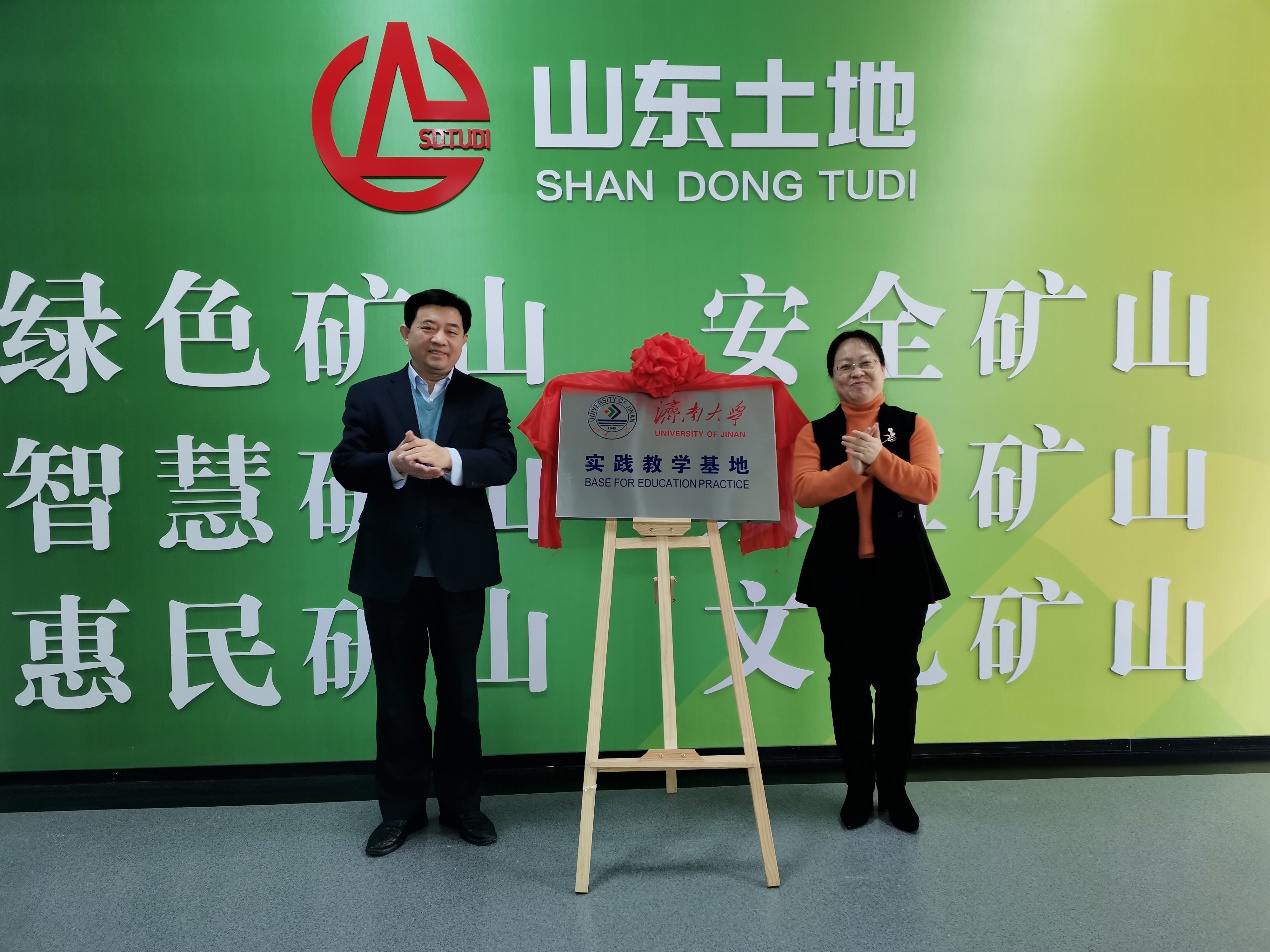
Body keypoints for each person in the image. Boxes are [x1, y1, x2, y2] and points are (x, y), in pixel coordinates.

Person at [331, 288, 517, 856]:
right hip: (392, 571)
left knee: (459, 694)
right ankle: (401, 811)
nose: (440, 339)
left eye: (452, 330)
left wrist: (449, 458)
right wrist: (394, 462)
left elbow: (503, 461)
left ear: (464, 339)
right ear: (406, 332)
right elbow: (346, 464)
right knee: (398, 695)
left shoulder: (485, 397)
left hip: (459, 571)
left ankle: (463, 806)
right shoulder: (370, 395)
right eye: (429, 327)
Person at [793, 329, 948, 833]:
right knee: (848, 685)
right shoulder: (815, 432)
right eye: (844, 365)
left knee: (899, 685)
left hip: (903, 577)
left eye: (865, 362)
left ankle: (896, 792)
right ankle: (858, 791)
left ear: (883, 369)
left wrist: (878, 458)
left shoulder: (912, 425)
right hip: (839, 578)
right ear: (832, 377)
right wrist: (854, 469)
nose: (856, 371)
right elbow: (804, 491)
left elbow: (926, 487)